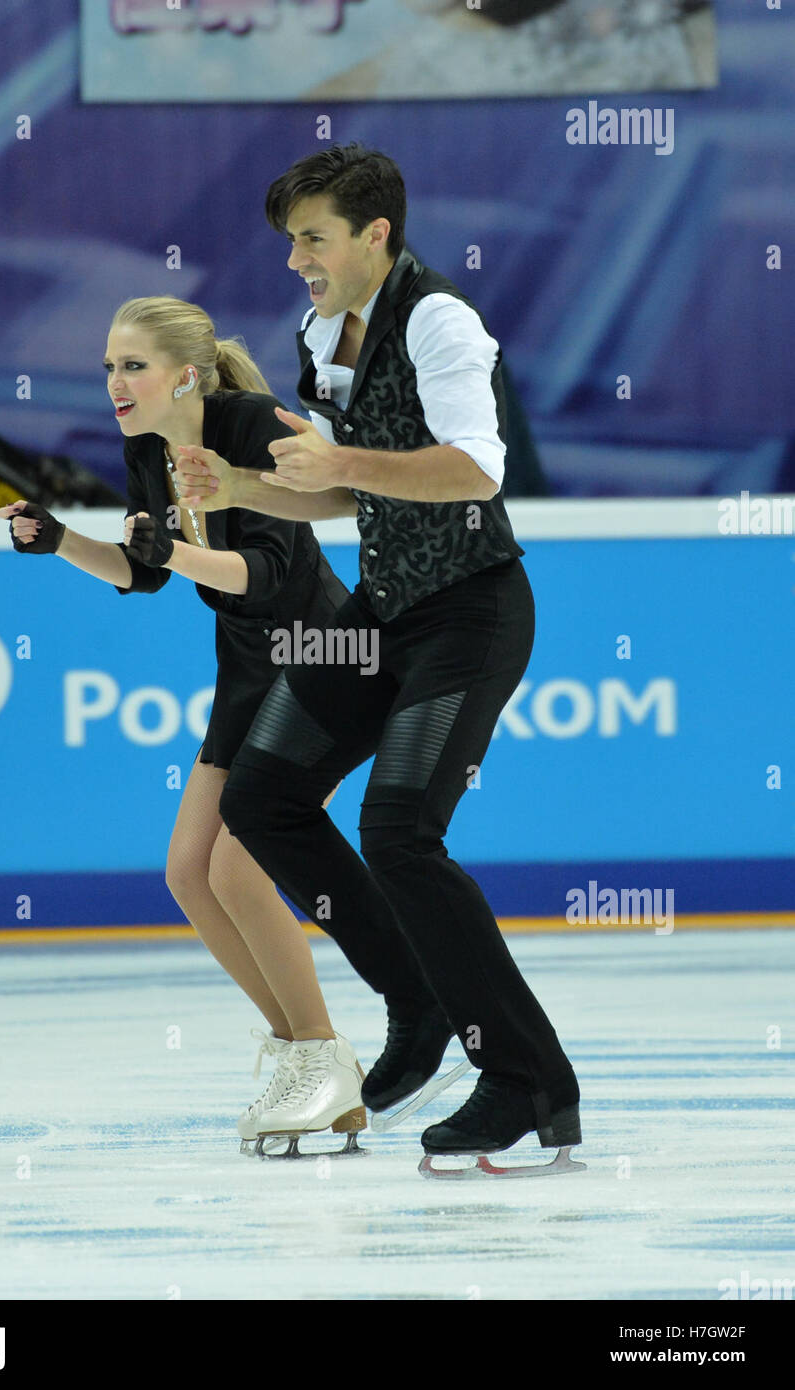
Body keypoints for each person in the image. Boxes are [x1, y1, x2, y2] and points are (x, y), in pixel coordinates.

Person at [176, 145, 582, 1169]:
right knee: (261, 794)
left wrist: (337, 461)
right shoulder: (322, 333)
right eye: (289, 243)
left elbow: (471, 471)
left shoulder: (439, 321)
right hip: (381, 609)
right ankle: (417, 1003)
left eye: (311, 240)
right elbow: (346, 493)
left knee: (399, 829)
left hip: (470, 609)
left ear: (374, 236)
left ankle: (526, 1078)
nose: (295, 261)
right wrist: (238, 487)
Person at [0, 295, 365, 1154]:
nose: (116, 385)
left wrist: (173, 552)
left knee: (239, 873)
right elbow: (146, 572)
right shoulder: (147, 447)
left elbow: (269, 574)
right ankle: (309, 1061)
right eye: (109, 369)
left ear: (185, 374)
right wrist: (60, 542)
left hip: (320, 656)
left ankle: (319, 1053)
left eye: (133, 366)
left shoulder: (247, 429)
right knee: (188, 875)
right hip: (247, 667)